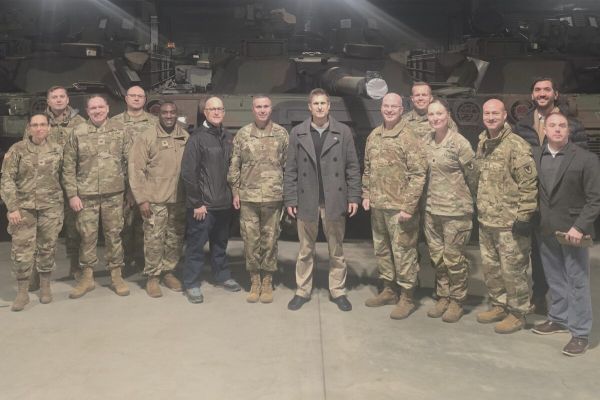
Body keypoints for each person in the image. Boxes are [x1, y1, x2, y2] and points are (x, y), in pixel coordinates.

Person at [514, 77, 588, 315]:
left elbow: (583, 163)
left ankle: (569, 310)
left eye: (547, 89)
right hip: (535, 198)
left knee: (569, 259)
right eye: (537, 90)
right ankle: (539, 297)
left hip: (563, 200)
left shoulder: (572, 125)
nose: (542, 93)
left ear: (555, 94)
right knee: (539, 254)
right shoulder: (522, 125)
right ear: (532, 95)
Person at [283, 88, 361, 312]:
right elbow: (291, 169)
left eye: (323, 103)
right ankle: (302, 290)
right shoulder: (298, 132)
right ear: (310, 107)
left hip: (334, 199)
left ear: (329, 106)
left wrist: (353, 196)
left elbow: (352, 167)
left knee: (336, 250)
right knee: (305, 250)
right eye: (315, 103)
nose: (319, 107)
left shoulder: (343, 132)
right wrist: (290, 199)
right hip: (306, 199)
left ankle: (338, 291)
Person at [531, 112, 600, 356]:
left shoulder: (586, 159)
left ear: (568, 130)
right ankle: (558, 318)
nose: (558, 129)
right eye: (553, 125)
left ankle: (580, 333)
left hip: (573, 232)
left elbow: (595, 199)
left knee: (577, 281)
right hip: (545, 228)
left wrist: (579, 227)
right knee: (555, 278)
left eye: (562, 125)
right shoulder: (535, 155)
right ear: (544, 129)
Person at [361, 93, 427, 319]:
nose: (389, 110)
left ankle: (407, 296)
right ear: (381, 108)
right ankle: (389, 290)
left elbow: (418, 174)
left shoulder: (409, 136)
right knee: (382, 250)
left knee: (404, 253)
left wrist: (409, 206)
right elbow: (368, 168)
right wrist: (366, 193)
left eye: (394, 106)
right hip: (378, 206)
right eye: (386, 106)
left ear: (401, 109)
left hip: (400, 209)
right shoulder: (374, 135)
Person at [475, 98, 538, 334]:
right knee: (491, 268)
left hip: (509, 223)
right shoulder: (483, 142)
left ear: (504, 116)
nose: (491, 117)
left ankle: (518, 313)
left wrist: (524, 217)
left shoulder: (516, 145)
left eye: (495, 113)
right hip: (487, 220)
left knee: (513, 271)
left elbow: (528, 184)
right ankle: (499, 305)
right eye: (487, 113)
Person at [62, 95, 130, 299]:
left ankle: (116, 276)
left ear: (108, 108)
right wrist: (72, 195)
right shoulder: (78, 132)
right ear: (87, 111)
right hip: (86, 195)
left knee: (114, 235)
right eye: (93, 108)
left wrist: (130, 192)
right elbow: (68, 166)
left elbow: (130, 163)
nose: (97, 111)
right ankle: (87, 277)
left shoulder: (120, 130)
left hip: (114, 193)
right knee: (87, 236)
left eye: (101, 107)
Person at [227, 95, 288, 303]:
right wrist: (235, 192)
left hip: (273, 197)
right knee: (250, 241)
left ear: (271, 109)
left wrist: (288, 195)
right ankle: (254, 281)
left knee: (270, 241)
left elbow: (289, 166)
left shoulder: (281, 134)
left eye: (266, 106)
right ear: (252, 110)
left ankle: (267, 281)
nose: (262, 110)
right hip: (248, 198)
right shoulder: (243, 134)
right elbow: (234, 165)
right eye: (258, 107)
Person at [181, 96, 241, 304]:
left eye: (220, 109)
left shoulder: (228, 137)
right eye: (212, 109)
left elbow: (233, 170)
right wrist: (197, 203)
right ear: (205, 113)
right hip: (203, 206)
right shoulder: (196, 138)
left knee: (220, 245)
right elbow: (188, 173)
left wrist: (234, 195)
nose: (216, 112)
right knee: (196, 246)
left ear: (224, 112)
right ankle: (191, 283)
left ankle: (222, 275)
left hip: (224, 203)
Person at [1, 114, 64, 311]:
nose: (39, 128)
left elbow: (65, 176)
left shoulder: (57, 149)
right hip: (24, 209)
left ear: (49, 127)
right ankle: (23, 291)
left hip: (51, 207)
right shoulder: (17, 149)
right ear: (28, 128)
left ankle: (45, 286)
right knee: (22, 250)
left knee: (47, 247)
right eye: (35, 125)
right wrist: (12, 207)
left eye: (43, 124)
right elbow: (7, 179)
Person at [423, 99, 477, 322]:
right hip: (431, 210)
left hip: (456, 212)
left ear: (448, 115)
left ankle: (457, 300)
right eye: (431, 114)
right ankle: (443, 296)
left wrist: (467, 200)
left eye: (439, 114)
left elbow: (473, 176)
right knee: (438, 258)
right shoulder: (426, 141)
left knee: (454, 259)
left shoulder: (459, 143)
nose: (435, 118)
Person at [25, 86, 86, 286]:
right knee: (41, 231)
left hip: (72, 185)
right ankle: (37, 271)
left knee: (74, 229)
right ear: (48, 101)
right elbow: (26, 151)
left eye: (62, 96)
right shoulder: (39, 122)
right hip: (44, 186)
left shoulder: (79, 122)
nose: (58, 100)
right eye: (54, 97)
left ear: (68, 99)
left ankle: (75, 267)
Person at [128, 101, 188, 298]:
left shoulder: (184, 136)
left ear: (176, 114)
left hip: (178, 199)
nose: (169, 116)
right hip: (155, 199)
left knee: (174, 239)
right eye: (165, 112)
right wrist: (142, 199)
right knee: (154, 240)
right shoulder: (146, 137)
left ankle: (168, 272)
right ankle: (153, 277)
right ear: (159, 115)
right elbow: (136, 170)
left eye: (172, 112)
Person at [111, 85, 158, 274]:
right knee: (121, 225)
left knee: (144, 224)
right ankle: (122, 262)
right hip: (120, 183)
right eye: (133, 95)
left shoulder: (154, 122)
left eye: (140, 96)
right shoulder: (113, 123)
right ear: (126, 98)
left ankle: (141, 261)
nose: (137, 98)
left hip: (147, 182)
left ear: (145, 99)